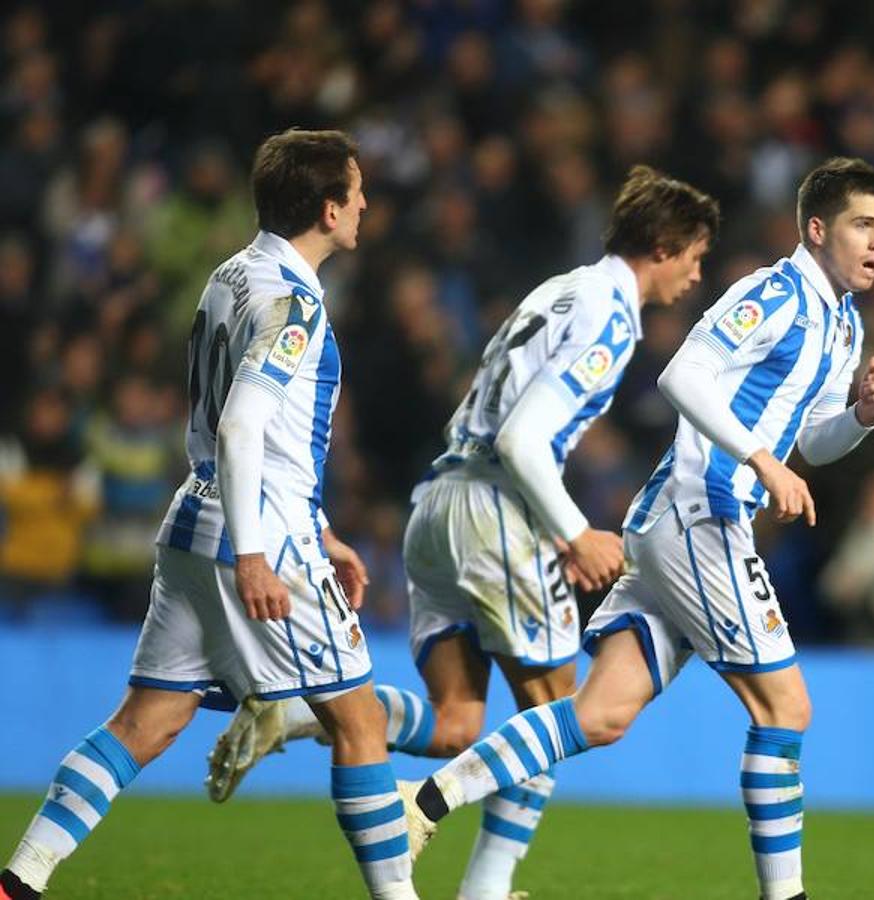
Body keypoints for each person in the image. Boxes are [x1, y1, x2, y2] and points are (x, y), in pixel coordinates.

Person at [206, 165, 720, 900]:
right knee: (554, 716)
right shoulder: (612, 316)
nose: (697, 275)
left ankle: (292, 713)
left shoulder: (562, 286)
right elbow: (523, 439)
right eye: (695, 256)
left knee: (456, 725)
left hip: (438, 504)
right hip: (494, 509)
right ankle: (486, 888)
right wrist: (574, 531)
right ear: (664, 247)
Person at [403, 157, 874, 900]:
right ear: (818, 228)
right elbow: (683, 375)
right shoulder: (773, 293)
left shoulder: (842, 325)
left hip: (682, 522)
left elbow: (816, 442)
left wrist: (860, 417)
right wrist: (761, 460)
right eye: (864, 224)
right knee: (787, 707)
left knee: (598, 717)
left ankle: (424, 801)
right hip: (704, 514)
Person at [0, 129, 422, 900]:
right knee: (360, 724)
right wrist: (263, 552)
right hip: (256, 533)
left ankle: (18, 880)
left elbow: (247, 427)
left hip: (195, 521)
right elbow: (241, 423)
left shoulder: (227, 274)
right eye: (356, 191)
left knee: (147, 723)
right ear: (329, 211)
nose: (366, 203)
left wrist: (321, 525)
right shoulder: (296, 305)